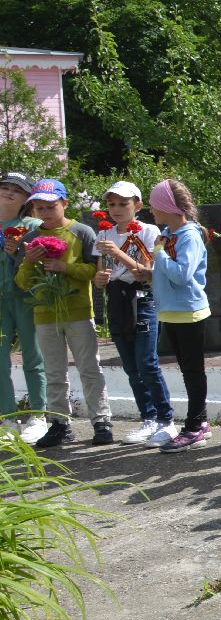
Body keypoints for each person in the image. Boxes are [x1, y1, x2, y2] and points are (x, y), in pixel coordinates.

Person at [100, 179, 212, 452]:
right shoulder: (168, 233)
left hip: (189, 311)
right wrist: (149, 274)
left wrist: (159, 252)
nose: (151, 210)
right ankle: (201, 422)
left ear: (168, 206)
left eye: (154, 205)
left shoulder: (188, 235)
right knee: (187, 370)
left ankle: (194, 426)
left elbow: (182, 275)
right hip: (172, 311)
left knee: (193, 372)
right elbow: (167, 273)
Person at [15, 178, 112, 446]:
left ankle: (101, 420)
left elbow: (93, 271)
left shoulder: (82, 231)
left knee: (89, 368)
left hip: (78, 311)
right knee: (54, 372)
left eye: (51, 206)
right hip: (45, 314)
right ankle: (59, 423)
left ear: (65, 203)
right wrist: (29, 263)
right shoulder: (30, 238)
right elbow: (22, 282)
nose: (45, 212)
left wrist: (64, 267)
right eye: (39, 208)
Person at [92, 182, 175, 445]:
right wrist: (100, 278)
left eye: (123, 203)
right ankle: (147, 418)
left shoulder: (148, 230)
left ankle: (165, 419)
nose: (116, 209)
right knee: (130, 366)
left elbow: (144, 271)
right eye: (111, 204)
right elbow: (100, 273)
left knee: (146, 363)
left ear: (137, 205)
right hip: (117, 299)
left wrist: (117, 252)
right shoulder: (104, 233)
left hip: (142, 298)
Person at [1, 171, 48, 442]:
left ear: (26, 200)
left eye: (17, 190)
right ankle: (7, 417)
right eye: (5, 187)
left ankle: (38, 415)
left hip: (27, 297)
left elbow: (45, 260)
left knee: (33, 356)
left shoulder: (34, 225)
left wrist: (17, 251)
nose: (9, 192)